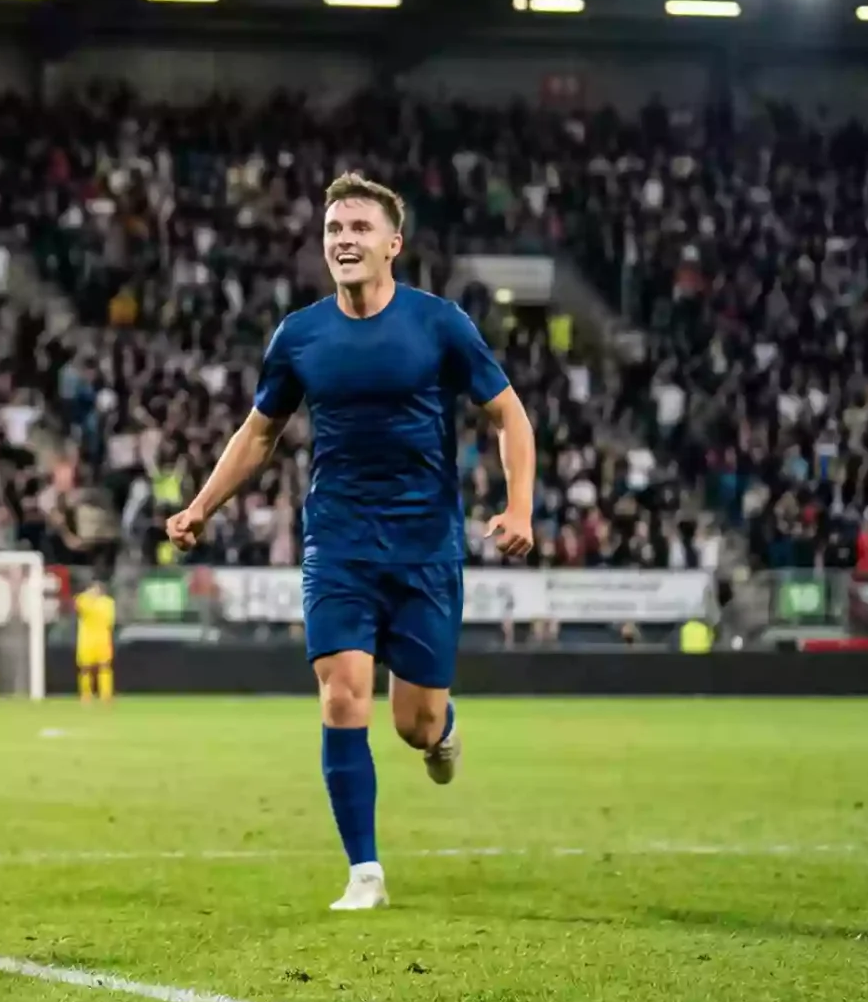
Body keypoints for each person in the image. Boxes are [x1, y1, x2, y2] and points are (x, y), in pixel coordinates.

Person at [165, 174, 536, 911]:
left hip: (425, 547)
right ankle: (364, 870)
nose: (344, 238)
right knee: (342, 697)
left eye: (360, 227)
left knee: (414, 721)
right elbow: (259, 432)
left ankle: (442, 729)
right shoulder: (300, 335)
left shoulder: (439, 324)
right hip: (337, 544)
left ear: (393, 244)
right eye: (334, 227)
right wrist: (202, 505)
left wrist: (520, 504)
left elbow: (509, 414)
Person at [73, 576, 116, 704]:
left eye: (97, 589)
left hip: (103, 639)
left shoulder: (108, 603)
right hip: (86, 639)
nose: (95, 591)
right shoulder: (83, 600)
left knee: (105, 667)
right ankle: (86, 695)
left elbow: (110, 620)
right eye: (92, 588)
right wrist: (87, 596)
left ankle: (106, 695)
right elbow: (78, 605)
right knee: (85, 668)